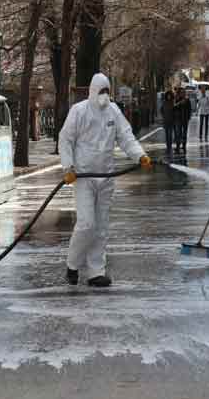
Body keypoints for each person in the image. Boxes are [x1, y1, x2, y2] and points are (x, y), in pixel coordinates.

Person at [60, 73, 153, 287]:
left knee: (101, 228)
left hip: (106, 177)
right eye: (101, 91)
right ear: (93, 91)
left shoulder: (114, 112)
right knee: (86, 224)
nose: (104, 95)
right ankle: (72, 266)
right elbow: (66, 139)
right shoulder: (79, 111)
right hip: (83, 177)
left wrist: (140, 155)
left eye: (107, 91)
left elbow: (126, 136)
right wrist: (68, 167)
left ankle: (96, 272)